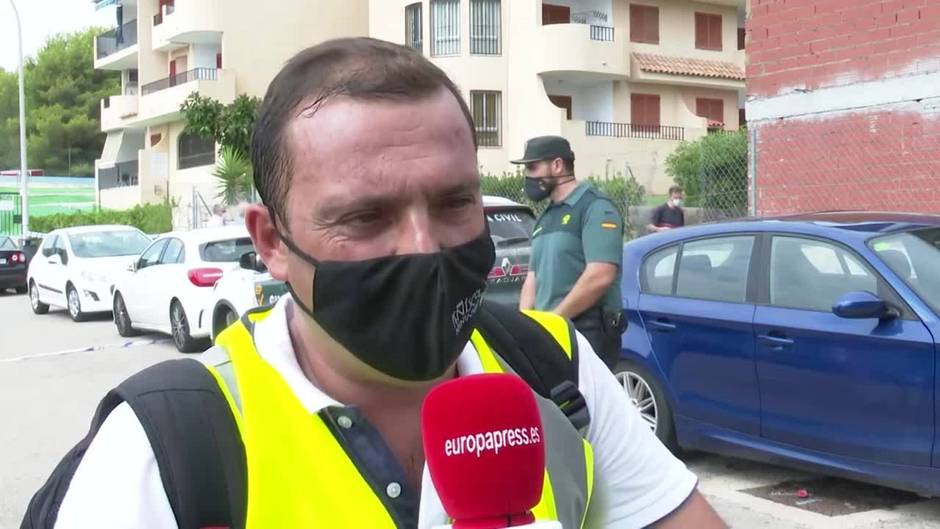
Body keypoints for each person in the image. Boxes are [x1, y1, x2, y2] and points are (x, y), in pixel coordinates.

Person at [27, 38, 725, 529]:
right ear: (271, 242)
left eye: (454, 203)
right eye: (365, 217)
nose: (424, 249)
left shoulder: (554, 372)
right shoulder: (171, 446)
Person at [514, 136, 626, 372]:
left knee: (584, 407)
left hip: (586, 333)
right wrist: (526, 326)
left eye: (533, 167)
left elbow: (601, 274)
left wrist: (555, 320)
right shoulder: (545, 217)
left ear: (557, 165)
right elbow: (533, 276)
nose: (528, 176)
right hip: (550, 333)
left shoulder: (595, 208)